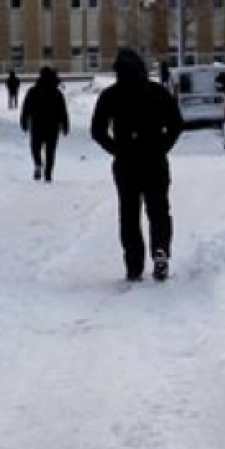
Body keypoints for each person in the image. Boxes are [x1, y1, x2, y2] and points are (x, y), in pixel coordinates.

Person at [91, 48, 184, 282]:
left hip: (126, 162)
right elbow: (176, 123)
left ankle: (134, 264)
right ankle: (160, 250)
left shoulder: (111, 95)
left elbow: (97, 130)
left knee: (129, 213)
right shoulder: (157, 92)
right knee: (159, 210)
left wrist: (116, 149)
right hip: (155, 160)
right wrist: (163, 145)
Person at [19, 66, 69, 182]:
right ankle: (48, 174)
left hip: (37, 125)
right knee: (50, 151)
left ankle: (38, 164)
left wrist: (24, 121)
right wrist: (65, 125)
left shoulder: (33, 91)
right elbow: (63, 111)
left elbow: (26, 108)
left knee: (35, 147)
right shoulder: (57, 93)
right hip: (52, 126)